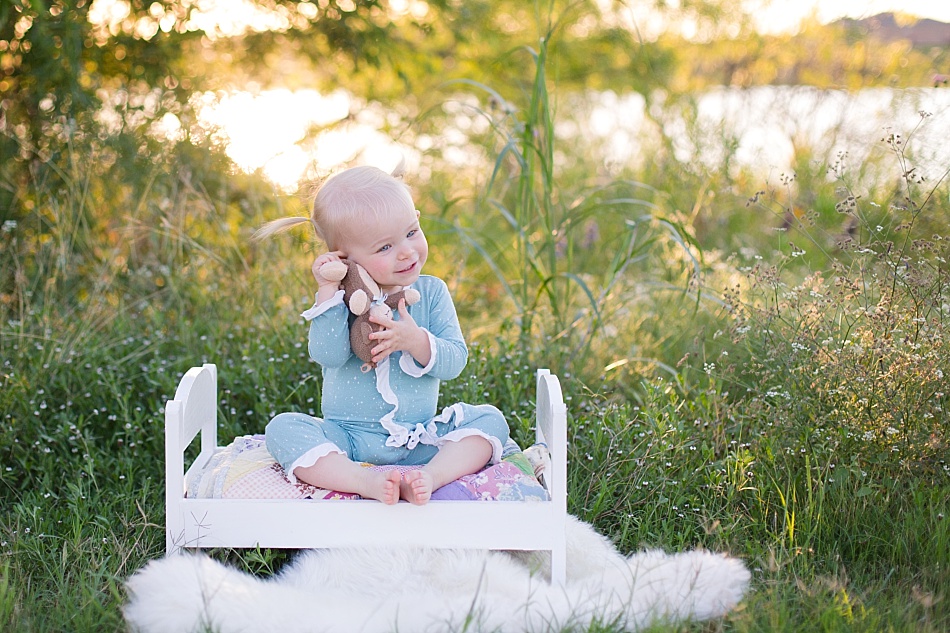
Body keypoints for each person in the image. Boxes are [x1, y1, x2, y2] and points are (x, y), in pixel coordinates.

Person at [255, 163, 509, 505]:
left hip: (418, 439)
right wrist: (328, 293)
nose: (406, 251)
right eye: (384, 247)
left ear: (417, 219)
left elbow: (455, 362)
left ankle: (430, 477)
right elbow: (327, 356)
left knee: (490, 420)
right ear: (344, 258)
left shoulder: (432, 292)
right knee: (283, 428)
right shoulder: (342, 299)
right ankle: (362, 480)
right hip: (348, 439)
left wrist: (415, 341)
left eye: (411, 232)